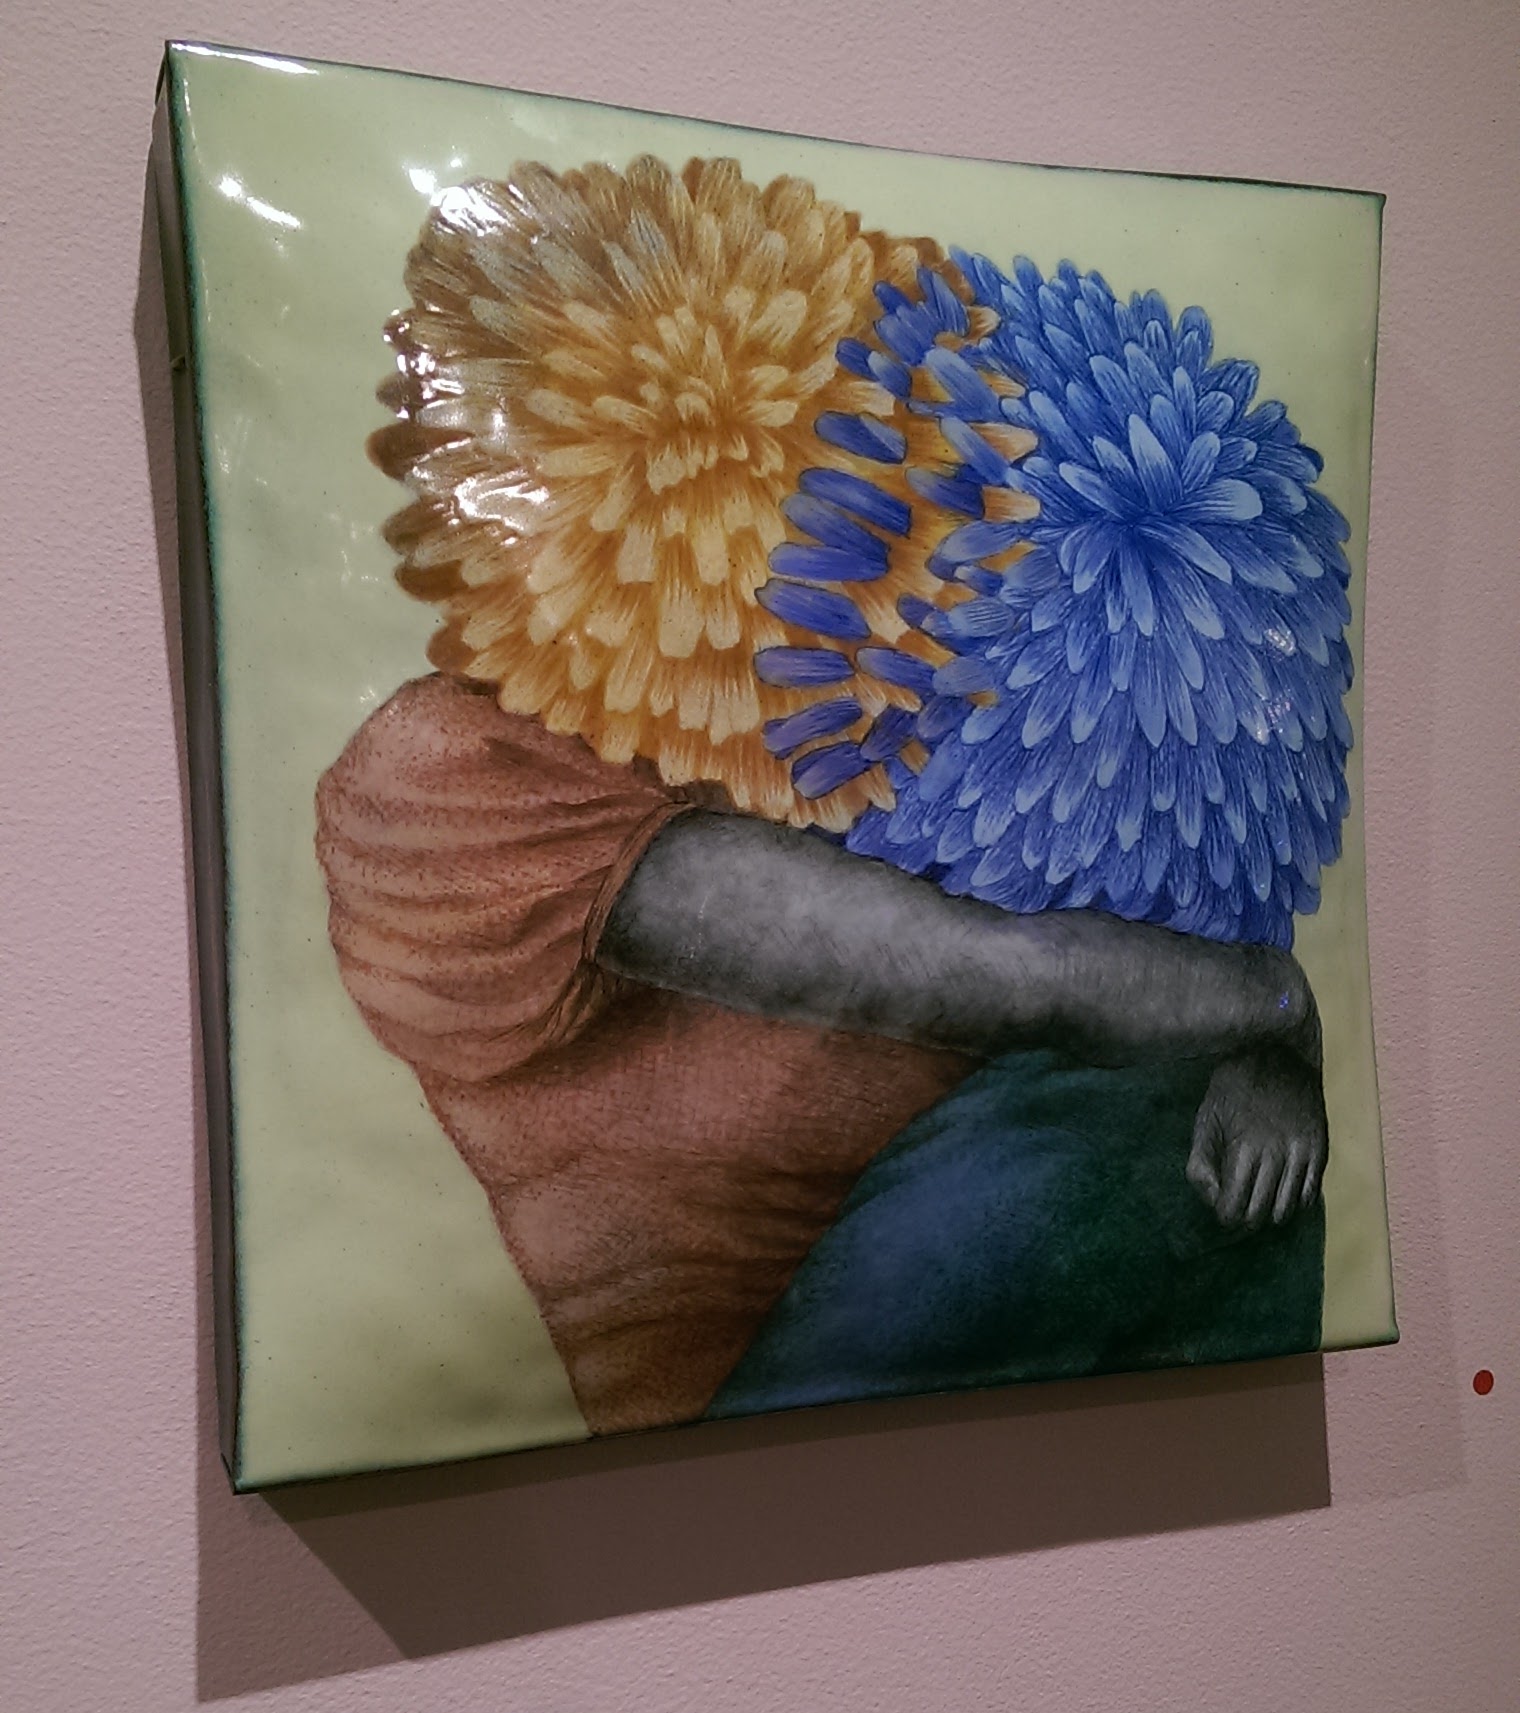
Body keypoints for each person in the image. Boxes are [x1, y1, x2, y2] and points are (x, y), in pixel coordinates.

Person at [316, 671, 1326, 1436]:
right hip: (766, 1405)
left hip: (991, 1289)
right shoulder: (439, 767)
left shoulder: (852, 672)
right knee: (1108, 1138)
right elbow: (1006, 975)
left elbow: (1147, 917)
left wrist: (1253, 1044)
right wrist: (1275, 1007)